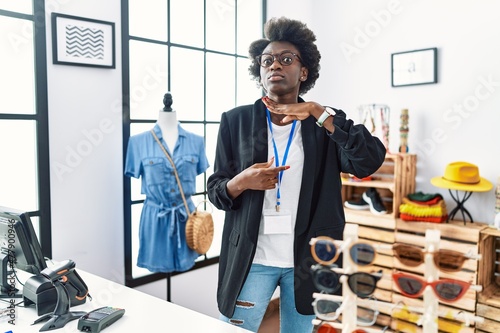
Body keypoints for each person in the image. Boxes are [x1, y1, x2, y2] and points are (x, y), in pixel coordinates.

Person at [207, 17, 386, 332]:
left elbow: (368, 160)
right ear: (260, 73)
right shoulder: (235, 122)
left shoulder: (324, 123)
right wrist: (241, 182)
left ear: (303, 72)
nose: (275, 65)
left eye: (286, 59)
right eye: (267, 61)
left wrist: (319, 113)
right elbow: (216, 190)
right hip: (252, 258)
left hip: (307, 261)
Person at [125, 93, 209, 273]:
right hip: (156, 218)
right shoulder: (138, 142)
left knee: (186, 265)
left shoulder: (196, 141)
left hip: (186, 217)